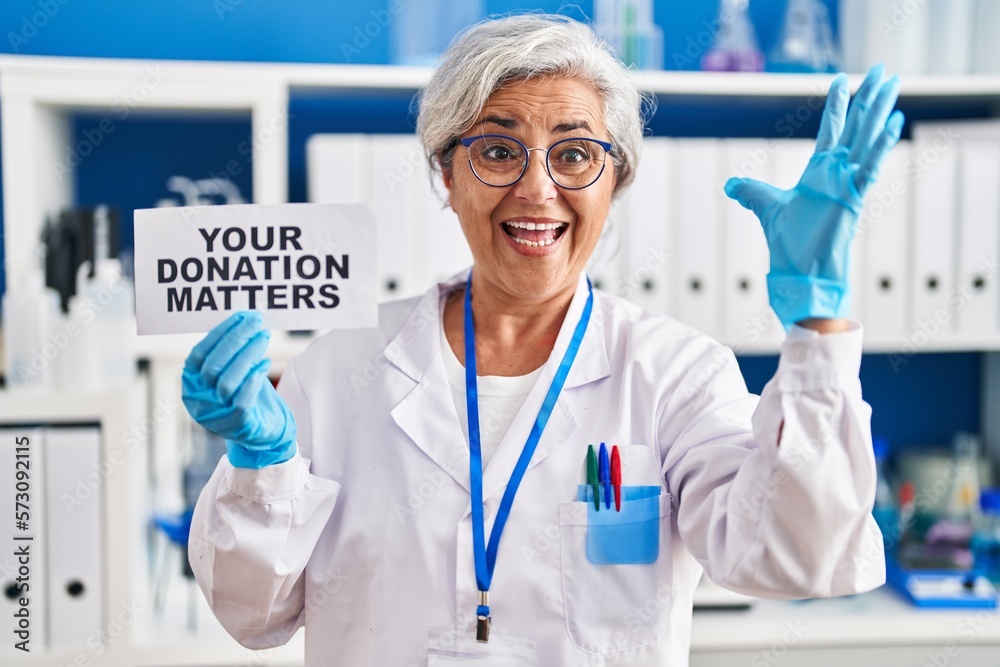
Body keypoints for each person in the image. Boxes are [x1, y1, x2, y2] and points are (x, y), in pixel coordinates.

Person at [182, 13, 903, 666]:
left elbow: (795, 554)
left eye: (574, 154)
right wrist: (260, 467)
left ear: (612, 176)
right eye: (498, 151)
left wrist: (817, 325)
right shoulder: (339, 366)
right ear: (447, 171)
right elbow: (253, 613)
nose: (537, 189)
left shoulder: (676, 374)